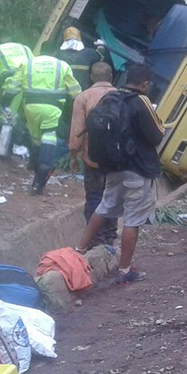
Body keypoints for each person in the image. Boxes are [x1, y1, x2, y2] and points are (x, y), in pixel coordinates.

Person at [75, 64, 165, 283]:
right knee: (132, 220)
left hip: (112, 166)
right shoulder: (141, 101)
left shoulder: (110, 98)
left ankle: (77, 251)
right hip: (137, 169)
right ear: (145, 84)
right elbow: (157, 134)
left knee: (104, 207)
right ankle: (125, 271)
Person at [4, 52, 81, 194]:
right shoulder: (62, 65)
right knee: (49, 134)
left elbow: (13, 86)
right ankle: (44, 166)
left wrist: (6, 99)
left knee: (35, 136)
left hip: (31, 106)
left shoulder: (28, 63)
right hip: (53, 107)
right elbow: (75, 91)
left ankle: (34, 162)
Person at [70, 62, 118, 250]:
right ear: (111, 77)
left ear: (91, 77)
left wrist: (73, 155)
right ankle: (109, 238)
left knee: (94, 196)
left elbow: (77, 129)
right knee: (113, 196)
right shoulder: (122, 96)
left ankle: (95, 238)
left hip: (93, 157)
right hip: (117, 158)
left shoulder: (83, 97)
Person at [0, 37, 34, 157]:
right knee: (28, 118)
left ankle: (4, 152)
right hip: (32, 86)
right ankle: (27, 149)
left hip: (13, 87)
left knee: (8, 117)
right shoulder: (25, 48)